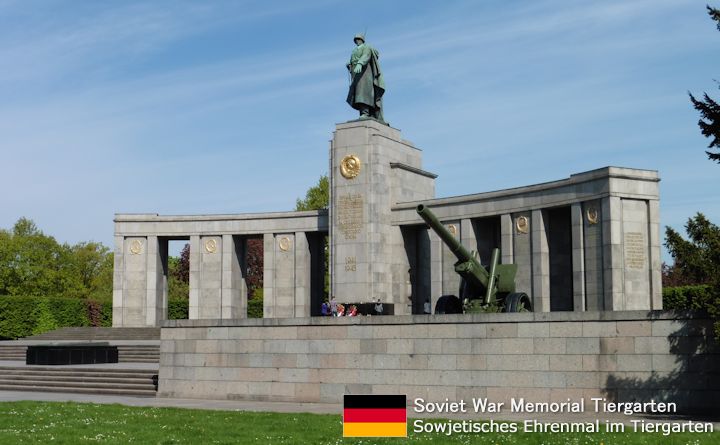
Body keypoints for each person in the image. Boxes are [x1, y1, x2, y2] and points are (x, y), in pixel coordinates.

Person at [346, 33, 385, 122]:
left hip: (365, 72)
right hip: (356, 74)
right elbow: (353, 60)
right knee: (357, 93)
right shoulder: (354, 50)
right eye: (356, 39)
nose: (357, 41)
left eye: (358, 39)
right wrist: (350, 64)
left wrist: (360, 63)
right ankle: (363, 112)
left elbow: (366, 56)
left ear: (362, 40)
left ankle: (365, 112)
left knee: (363, 92)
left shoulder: (366, 47)